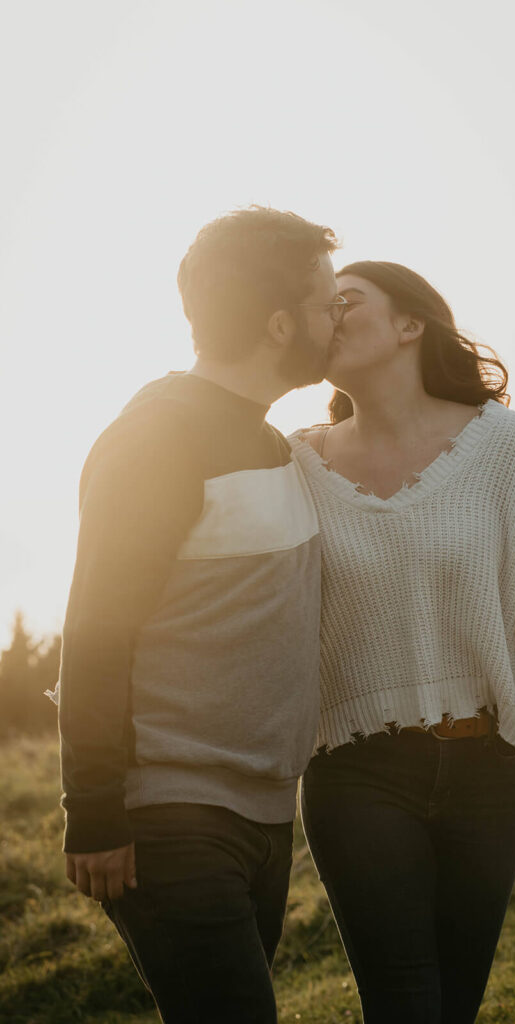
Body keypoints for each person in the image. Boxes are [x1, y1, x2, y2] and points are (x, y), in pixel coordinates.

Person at [289, 261, 515, 1024]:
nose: (326, 316)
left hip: (485, 776)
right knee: (403, 1002)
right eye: (318, 305)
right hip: (356, 776)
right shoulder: (294, 464)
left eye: (347, 301)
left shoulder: (507, 449)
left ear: (409, 326)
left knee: (452, 1005)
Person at [53, 206, 343, 1023]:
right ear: (281, 323)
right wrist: (95, 810)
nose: (339, 319)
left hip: (260, 813)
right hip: (170, 818)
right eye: (328, 305)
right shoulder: (158, 438)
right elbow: (97, 629)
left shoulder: (273, 446)